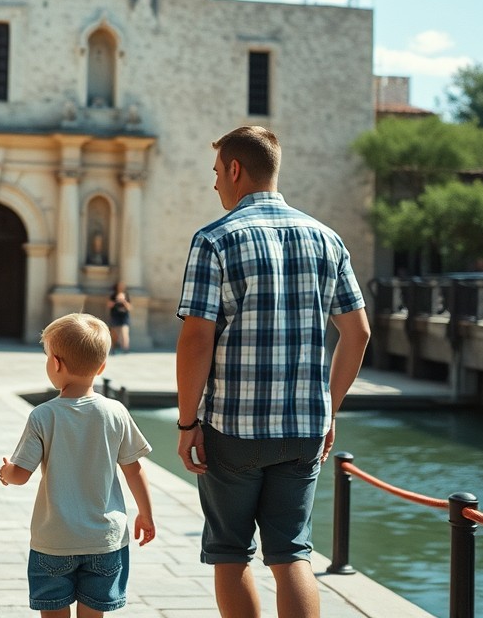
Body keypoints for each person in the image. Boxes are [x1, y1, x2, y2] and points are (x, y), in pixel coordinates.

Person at [174, 126, 371, 618]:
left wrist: (185, 422)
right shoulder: (327, 239)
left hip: (232, 431)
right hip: (304, 430)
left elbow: (197, 339)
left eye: (217, 173)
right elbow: (359, 332)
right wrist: (329, 409)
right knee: (292, 554)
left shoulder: (214, 239)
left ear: (235, 170)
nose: (215, 184)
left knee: (230, 552)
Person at [0, 313, 155, 618]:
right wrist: (146, 515)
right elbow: (134, 469)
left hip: (54, 540)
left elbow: (20, 475)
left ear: (55, 364)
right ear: (102, 367)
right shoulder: (116, 412)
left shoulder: (43, 416)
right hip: (105, 540)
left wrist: (6, 472)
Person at [107, 282, 132, 354]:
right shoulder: (113, 295)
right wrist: (116, 301)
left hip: (124, 317)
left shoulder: (126, 295)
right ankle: (113, 348)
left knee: (125, 333)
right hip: (115, 316)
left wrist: (123, 301)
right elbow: (109, 305)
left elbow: (129, 307)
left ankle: (126, 349)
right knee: (114, 334)